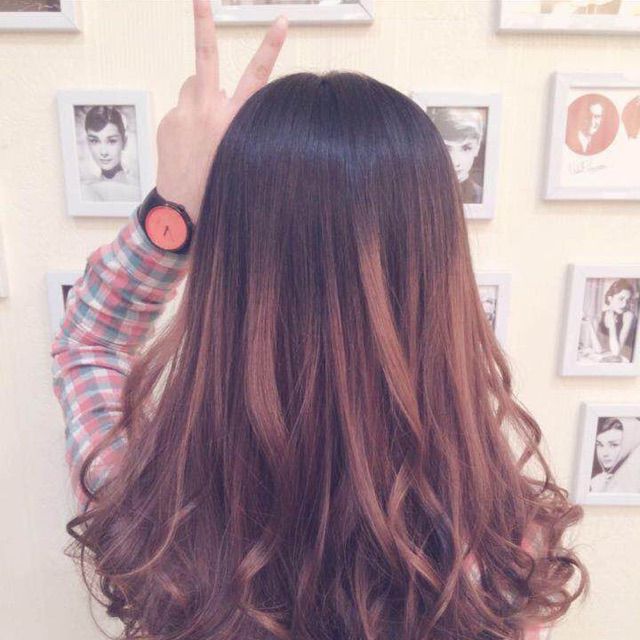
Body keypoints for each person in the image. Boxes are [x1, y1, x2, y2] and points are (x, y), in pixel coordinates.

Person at [49, 1, 588, 639]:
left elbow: (88, 343)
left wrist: (175, 205)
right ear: (437, 278)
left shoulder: (154, 525)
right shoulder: (499, 561)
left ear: (231, 281)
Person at [79, 105, 141, 202]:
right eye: (94, 141)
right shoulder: (82, 191)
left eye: (112, 141)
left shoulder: (138, 189)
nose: (103, 152)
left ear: (125, 141)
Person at [427, 107, 485, 203]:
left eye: (466, 148)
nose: (455, 162)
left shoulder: (484, 196)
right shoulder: (422, 196)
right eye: (446, 148)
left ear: (477, 148)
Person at [590, 417, 640, 493]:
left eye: (614, 445)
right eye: (600, 444)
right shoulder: (596, 481)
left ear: (629, 446)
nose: (604, 453)